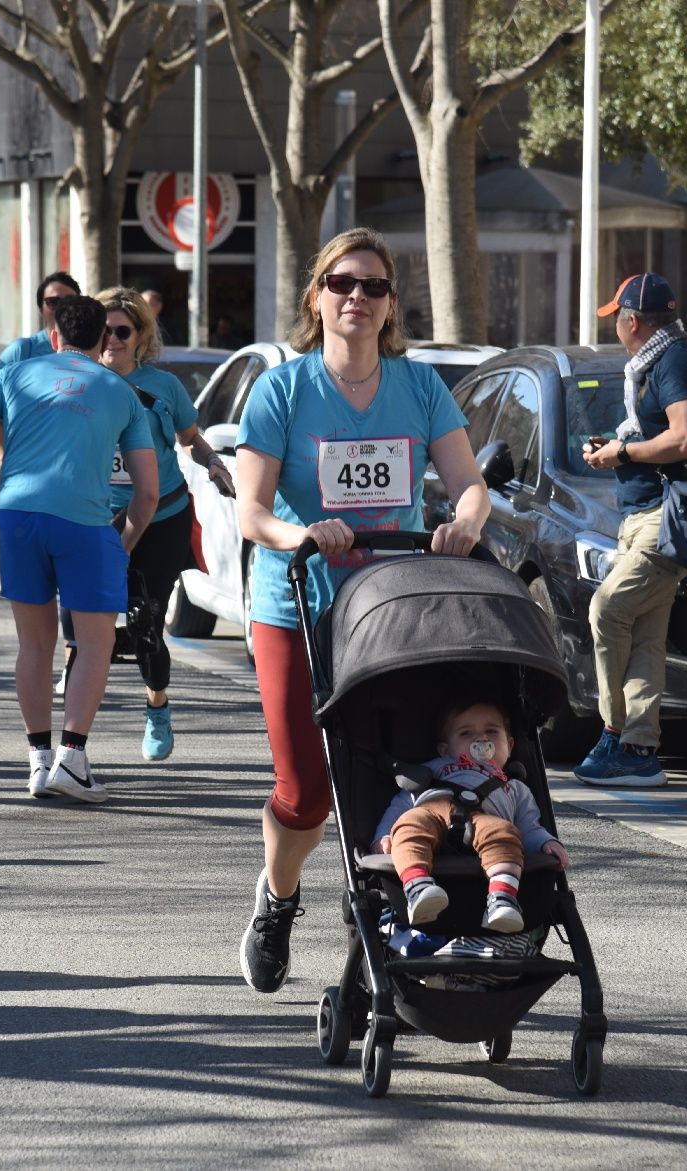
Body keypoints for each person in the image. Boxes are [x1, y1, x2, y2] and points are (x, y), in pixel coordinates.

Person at [232, 226, 490, 994]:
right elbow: (250, 509)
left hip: (390, 613)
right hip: (297, 606)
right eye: (342, 283)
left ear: (389, 306)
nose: (357, 297)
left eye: (373, 286)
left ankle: (377, 907)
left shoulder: (418, 387)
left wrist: (466, 523)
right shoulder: (283, 389)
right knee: (307, 790)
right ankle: (277, 899)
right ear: (317, 297)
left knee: (393, 775)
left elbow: (469, 484)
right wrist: (298, 533)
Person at [0, 296, 158, 804]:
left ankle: (38, 761)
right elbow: (148, 491)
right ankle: (73, 756)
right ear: (104, 339)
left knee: (34, 643)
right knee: (94, 643)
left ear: (53, 335)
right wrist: (123, 542)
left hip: (18, 515)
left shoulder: (16, 374)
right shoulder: (122, 391)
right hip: (85, 522)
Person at [60, 285, 235, 759]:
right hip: (95, 517)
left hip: (161, 514)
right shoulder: (76, 383)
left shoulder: (163, 386)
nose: (112, 340)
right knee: (75, 626)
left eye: (122, 331)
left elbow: (191, 439)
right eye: (105, 331)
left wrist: (214, 465)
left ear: (140, 336)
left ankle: (157, 704)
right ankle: (73, 738)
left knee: (147, 624)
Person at [574, 273, 687, 788]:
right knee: (647, 637)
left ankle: (613, 732)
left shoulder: (675, 361)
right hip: (642, 517)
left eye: (617, 320)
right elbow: (659, 434)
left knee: (606, 609)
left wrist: (622, 452)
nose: (616, 330)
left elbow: (681, 438)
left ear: (633, 322)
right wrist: (612, 448)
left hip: (665, 518)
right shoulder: (657, 362)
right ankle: (640, 750)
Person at [373, 698, 570, 933]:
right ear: (445, 749)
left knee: (507, 834)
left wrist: (546, 841)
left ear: (509, 745)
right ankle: (418, 886)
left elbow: (529, 826)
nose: (481, 739)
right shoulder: (434, 769)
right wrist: (383, 835)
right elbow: (401, 804)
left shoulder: (515, 787)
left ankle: (502, 898)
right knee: (408, 826)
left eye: (491, 731)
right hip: (431, 812)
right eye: (466, 733)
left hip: (486, 821)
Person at [0, 272, 82, 456]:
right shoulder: (22, 351)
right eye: (53, 302)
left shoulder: (95, 348)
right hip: (27, 464)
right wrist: (3, 456)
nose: (62, 307)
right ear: (41, 309)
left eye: (69, 300)